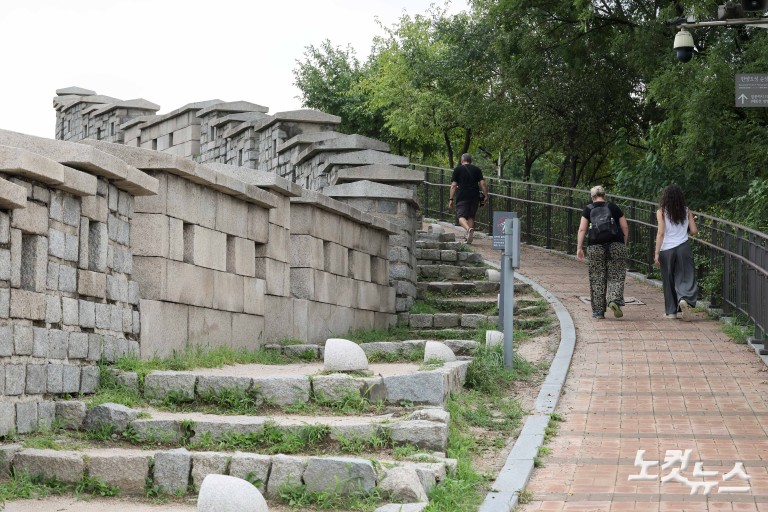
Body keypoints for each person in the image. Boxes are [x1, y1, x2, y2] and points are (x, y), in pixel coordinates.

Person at [576, 185, 630, 319]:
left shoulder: (588, 209)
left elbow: (582, 229)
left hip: (595, 246)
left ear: (592, 197)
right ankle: (613, 299)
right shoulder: (613, 207)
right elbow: (624, 226)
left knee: (597, 277)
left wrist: (579, 247)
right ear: (604, 195)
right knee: (616, 274)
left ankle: (598, 311)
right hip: (616, 244)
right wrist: (623, 243)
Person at [654, 185, 699, 320]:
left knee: (668, 280)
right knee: (685, 275)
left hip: (667, 249)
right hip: (683, 247)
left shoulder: (661, 212)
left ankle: (671, 312)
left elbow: (661, 233)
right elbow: (694, 231)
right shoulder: (686, 211)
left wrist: (656, 253)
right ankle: (684, 298)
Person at [448, 153, 488, 244]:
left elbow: (454, 185)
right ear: (470, 161)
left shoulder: (458, 169)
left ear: (462, 160)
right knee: (470, 216)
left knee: (461, 216)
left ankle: (468, 229)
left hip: (462, 196)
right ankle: (469, 236)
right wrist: (486, 195)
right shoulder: (477, 169)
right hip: (474, 196)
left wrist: (451, 199)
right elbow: (483, 183)